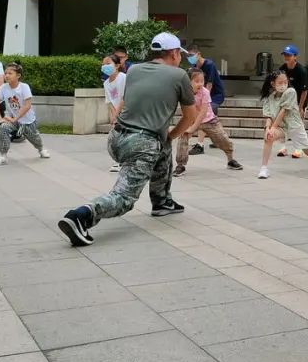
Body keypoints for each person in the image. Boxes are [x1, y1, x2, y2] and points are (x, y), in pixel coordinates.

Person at [57, 32, 197, 247]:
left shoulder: (134, 70)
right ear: (174, 53)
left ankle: (162, 201)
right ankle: (81, 216)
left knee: (163, 146)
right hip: (141, 144)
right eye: (180, 54)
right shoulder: (179, 75)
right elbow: (190, 117)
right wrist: (171, 136)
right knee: (124, 198)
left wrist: (165, 139)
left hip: (116, 137)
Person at [173, 69, 243, 176]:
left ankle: (230, 160)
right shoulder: (185, 93)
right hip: (191, 119)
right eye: (197, 81)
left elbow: (203, 112)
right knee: (183, 137)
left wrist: (193, 128)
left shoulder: (205, 92)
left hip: (209, 120)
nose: (200, 84)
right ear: (188, 82)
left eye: (202, 81)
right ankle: (180, 165)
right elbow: (185, 109)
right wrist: (187, 126)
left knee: (223, 139)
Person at [259, 70, 308, 178]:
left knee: (307, 150)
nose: (283, 85)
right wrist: (268, 129)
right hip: (281, 126)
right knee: (268, 138)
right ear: (273, 84)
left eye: (285, 82)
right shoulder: (269, 97)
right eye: (280, 82)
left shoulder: (291, 92)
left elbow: (283, 111)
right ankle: (264, 168)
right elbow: (269, 116)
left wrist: (273, 127)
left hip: (294, 126)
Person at [0, 63, 50, 166]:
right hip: (12, 120)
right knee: (3, 128)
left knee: (35, 139)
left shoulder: (24, 87)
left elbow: (27, 105)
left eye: (10, 73)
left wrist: (16, 118)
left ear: (18, 75)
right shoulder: (3, 87)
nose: (7, 75)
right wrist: (0, 119)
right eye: (5, 73)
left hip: (27, 121)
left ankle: (41, 149)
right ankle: (3, 156)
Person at [186, 44, 226, 155]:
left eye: (191, 55)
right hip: (204, 95)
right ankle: (219, 140)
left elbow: (209, 84)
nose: (189, 58)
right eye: (188, 56)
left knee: (204, 115)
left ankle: (200, 145)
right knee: (210, 118)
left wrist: (203, 99)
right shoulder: (195, 67)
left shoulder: (209, 65)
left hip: (215, 95)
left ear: (198, 54)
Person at [276, 44, 308, 159]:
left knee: (297, 126)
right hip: (285, 102)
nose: (286, 57)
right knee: (282, 124)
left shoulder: (301, 70)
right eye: (285, 55)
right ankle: (283, 148)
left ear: (295, 56)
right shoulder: (282, 69)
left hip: (299, 101)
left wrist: (300, 107)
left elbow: (304, 91)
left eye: (289, 55)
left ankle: (298, 149)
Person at [102, 54, 127, 173]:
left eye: (108, 63)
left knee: (125, 138)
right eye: (103, 64)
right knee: (116, 138)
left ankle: (123, 161)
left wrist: (117, 114)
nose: (105, 66)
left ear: (117, 66)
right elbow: (110, 102)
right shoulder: (106, 83)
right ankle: (118, 161)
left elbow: (125, 97)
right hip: (117, 114)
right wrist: (113, 117)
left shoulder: (123, 78)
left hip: (127, 112)